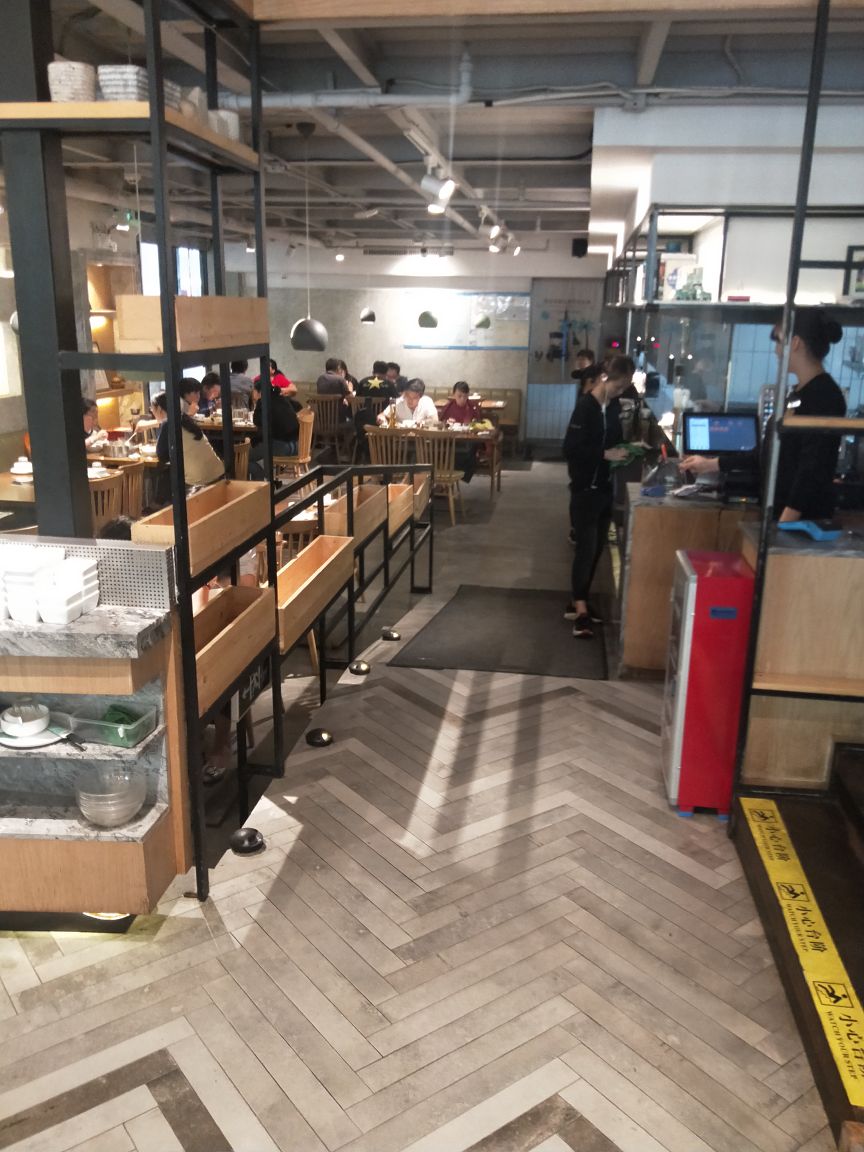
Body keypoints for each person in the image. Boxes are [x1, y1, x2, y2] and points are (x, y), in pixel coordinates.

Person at [680, 308, 845, 521]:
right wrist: (710, 464)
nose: (776, 351)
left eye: (779, 342)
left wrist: (785, 521)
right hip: (780, 515)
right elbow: (768, 454)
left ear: (795, 343)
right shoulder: (798, 393)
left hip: (802, 524)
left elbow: (812, 468)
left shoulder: (825, 396)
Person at [563, 355, 635, 639]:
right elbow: (571, 449)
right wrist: (604, 454)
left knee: (596, 549)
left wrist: (628, 448)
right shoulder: (586, 407)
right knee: (586, 547)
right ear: (605, 378)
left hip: (605, 487)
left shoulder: (613, 406)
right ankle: (580, 608)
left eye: (624, 388)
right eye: (618, 387)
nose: (621, 392)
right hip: (584, 489)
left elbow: (614, 439)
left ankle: (578, 600)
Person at [152, 386, 224, 491]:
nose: (152, 412)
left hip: (200, 483)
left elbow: (162, 456)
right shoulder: (185, 418)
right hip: (219, 474)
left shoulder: (168, 423)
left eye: (152, 409)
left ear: (159, 409)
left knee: (165, 480)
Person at [248, 379, 300, 479]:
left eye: (254, 391)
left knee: (243, 457)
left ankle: (260, 483)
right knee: (256, 450)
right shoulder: (282, 398)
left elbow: (257, 421)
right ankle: (263, 480)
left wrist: (258, 402)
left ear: (259, 392)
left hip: (281, 447)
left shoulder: (264, 401)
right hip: (295, 446)